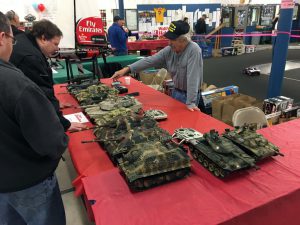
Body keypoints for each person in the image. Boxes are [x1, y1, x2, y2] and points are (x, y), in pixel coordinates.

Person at [0, 12, 68, 225]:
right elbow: (51, 141)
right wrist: (63, 134)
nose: (14, 44)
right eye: (12, 39)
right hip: (28, 183)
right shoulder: (16, 84)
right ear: (2, 38)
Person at [9, 19, 86, 132]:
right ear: (44, 38)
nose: (57, 48)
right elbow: (42, 91)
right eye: (55, 44)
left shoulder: (24, 40)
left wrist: (54, 103)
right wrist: (64, 124)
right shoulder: (31, 57)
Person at [112, 20, 205, 112]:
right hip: (176, 92)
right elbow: (150, 61)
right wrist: (126, 69)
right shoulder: (170, 50)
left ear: (183, 40)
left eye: (173, 40)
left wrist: (191, 103)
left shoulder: (194, 50)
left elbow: (193, 77)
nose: (169, 43)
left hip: (190, 95)